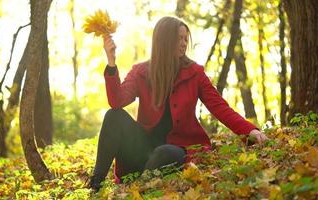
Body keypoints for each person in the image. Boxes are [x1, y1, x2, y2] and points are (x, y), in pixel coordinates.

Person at [87, 16, 268, 192]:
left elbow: (220, 107)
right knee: (114, 115)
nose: (183, 43)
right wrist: (111, 62)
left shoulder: (195, 73)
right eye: (179, 38)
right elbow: (117, 101)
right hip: (142, 151)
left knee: (166, 152)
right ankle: (96, 185)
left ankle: (140, 189)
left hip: (178, 149)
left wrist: (250, 130)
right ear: (164, 41)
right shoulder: (140, 72)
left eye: (185, 39)